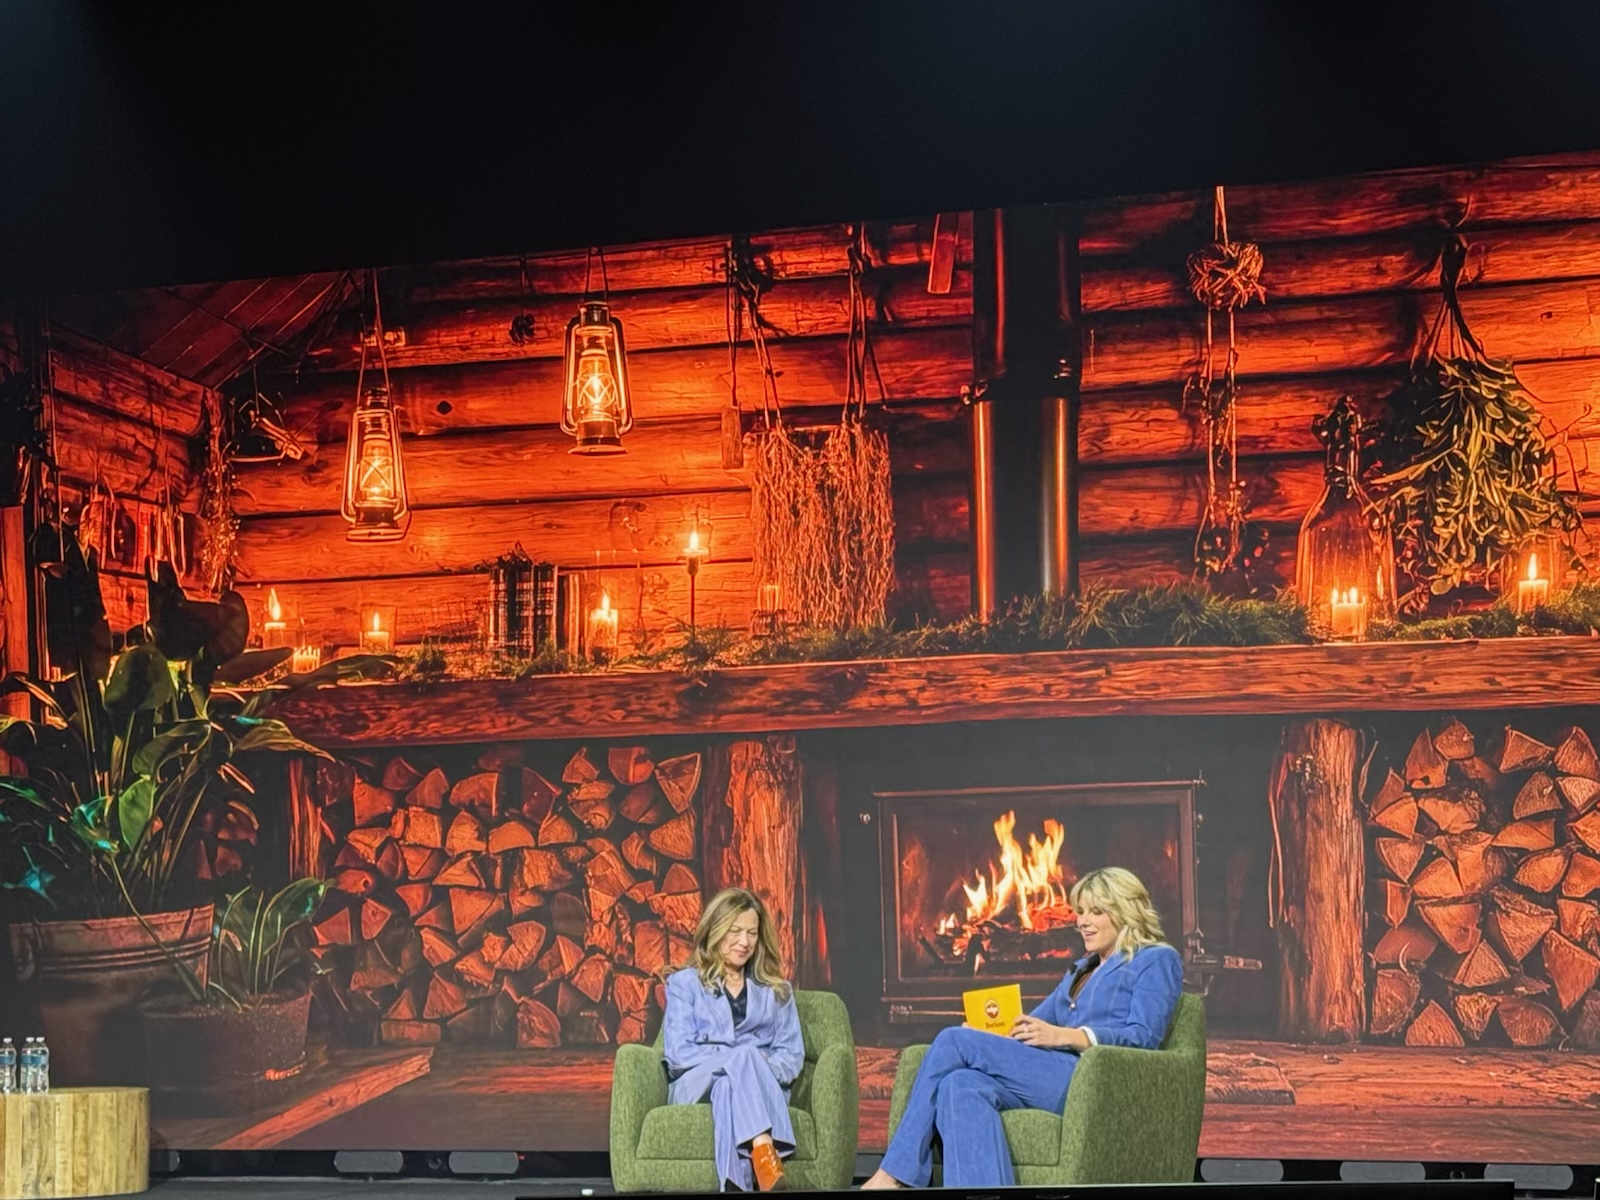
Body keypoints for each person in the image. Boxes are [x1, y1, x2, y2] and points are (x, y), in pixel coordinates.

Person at [864, 866, 1183, 1190]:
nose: (1082, 922)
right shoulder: (1081, 969)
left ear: (1126, 911)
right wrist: (985, 1035)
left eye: (1096, 912)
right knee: (959, 1085)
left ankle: (896, 1174)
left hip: (1094, 1079)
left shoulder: (1155, 959)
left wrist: (1065, 1036)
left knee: (951, 1040)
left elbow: (1143, 1038)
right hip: (1051, 1074)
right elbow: (1029, 1025)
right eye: (1080, 911)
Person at [662, 887, 804, 1192]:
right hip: (696, 1084)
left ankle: (736, 1186)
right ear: (715, 930)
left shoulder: (777, 991)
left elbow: (791, 1056)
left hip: (760, 1090)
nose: (744, 942)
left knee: (729, 1085)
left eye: (752, 933)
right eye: (735, 931)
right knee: (745, 1055)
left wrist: (753, 1071)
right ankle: (765, 1150)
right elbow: (678, 1054)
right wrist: (742, 1058)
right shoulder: (684, 984)